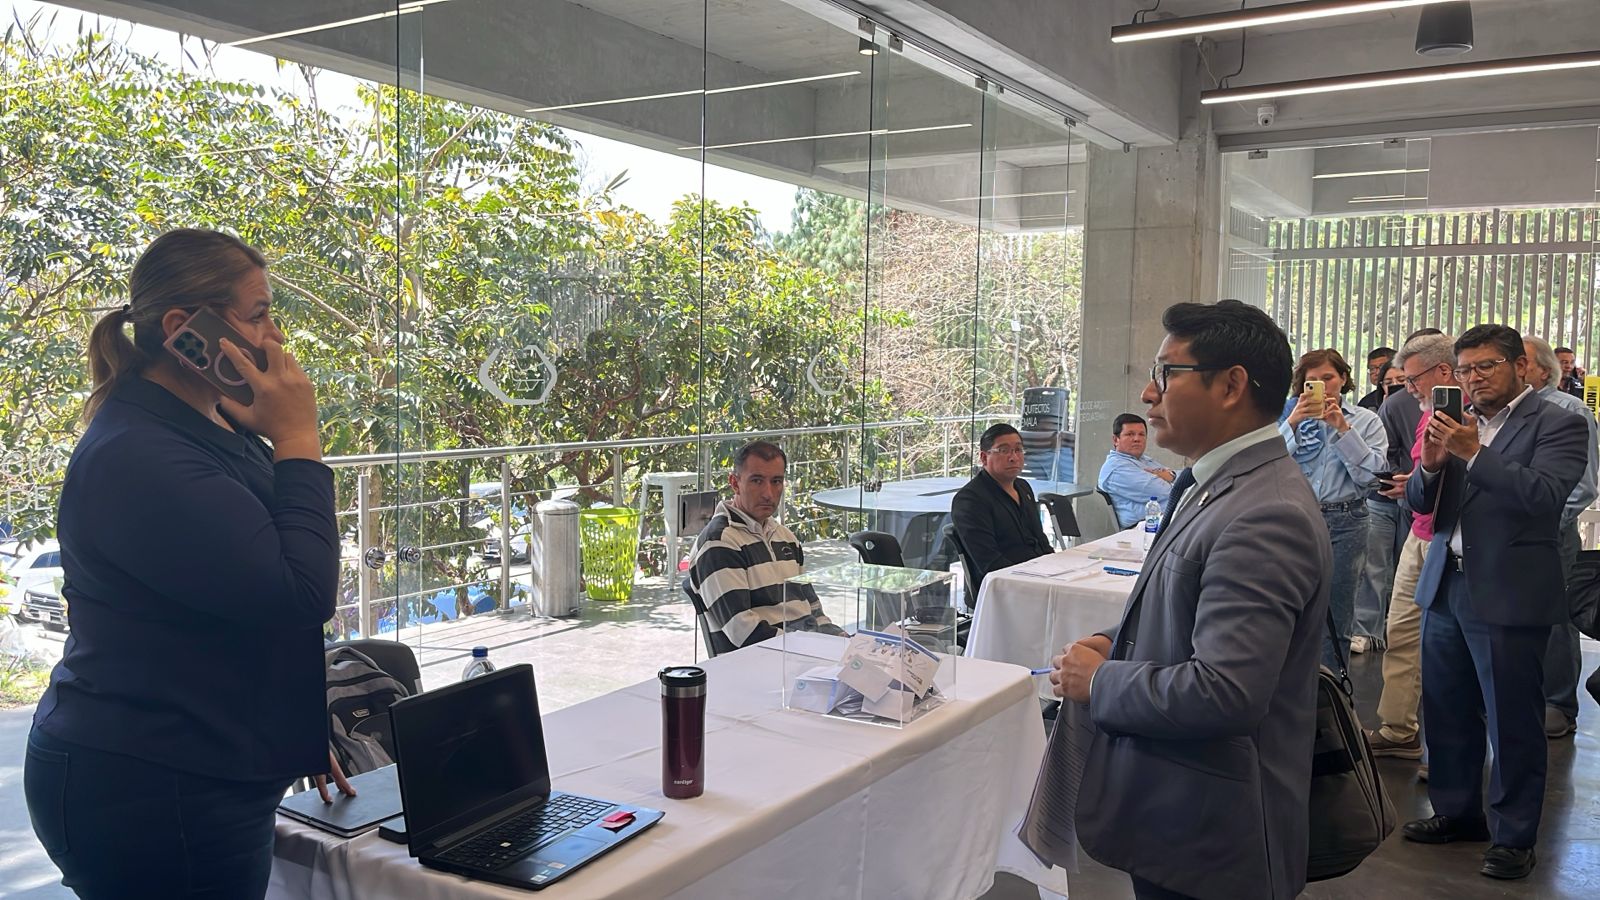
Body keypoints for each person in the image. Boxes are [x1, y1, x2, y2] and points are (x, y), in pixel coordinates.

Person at [23, 229, 352, 899]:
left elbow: (244, 583)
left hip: (196, 759)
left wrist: (287, 724)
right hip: (150, 784)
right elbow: (299, 591)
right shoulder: (140, 454)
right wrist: (297, 436)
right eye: (258, 313)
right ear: (184, 327)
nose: (276, 336)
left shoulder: (209, 425)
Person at [1041, 299, 1329, 900]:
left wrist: (1099, 682)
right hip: (1178, 811)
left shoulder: (1265, 510)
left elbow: (1226, 691)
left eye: (1167, 373)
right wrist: (1115, 643)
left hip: (1212, 831)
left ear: (1230, 385)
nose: (1149, 393)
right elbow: (1189, 609)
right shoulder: (1214, 482)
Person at [1402, 324, 1587, 881]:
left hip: (1508, 590)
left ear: (1522, 368)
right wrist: (1433, 463)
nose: (1474, 378)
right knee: (1446, 707)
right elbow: (1419, 499)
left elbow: (1546, 497)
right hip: (1446, 582)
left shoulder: (1561, 422)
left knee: (1512, 718)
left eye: (1487, 366)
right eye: (1465, 369)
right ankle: (1457, 812)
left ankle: (1514, 837)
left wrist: (1472, 453)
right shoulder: (1456, 425)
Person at [1365, 332, 1457, 762]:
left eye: (1412, 379)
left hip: (1452, 544)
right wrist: (1413, 485)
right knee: (1400, 631)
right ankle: (1398, 728)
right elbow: (1429, 475)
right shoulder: (1427, 412)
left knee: (1448, 648)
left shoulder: (1469, 416)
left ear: (1442, 371)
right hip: (1420, 535)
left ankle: (1448, 754)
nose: (1408, 388)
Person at [1281, 349, 1387, 671]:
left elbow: (1372, 477)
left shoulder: (1366, 420)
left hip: (1347, 519)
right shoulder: (1287, 418)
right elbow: (1267, 463)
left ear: (1343, 378)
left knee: (1336, 619)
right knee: (1286, 611)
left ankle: (1330, 705)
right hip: (1294, 519)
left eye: (1327, 377)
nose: (1321, 386)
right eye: (1311, 381)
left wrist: (1343, 430)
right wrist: (1293, 424)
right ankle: (1285, 700)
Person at [684, 440, 845, 651]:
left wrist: (842, 640)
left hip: (803, 656)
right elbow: (744, 632)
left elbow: (814, 611)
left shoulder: (785, 537)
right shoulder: (719, 544)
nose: (768, 493)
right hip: (764, 665)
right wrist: (814, 649)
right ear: (734, 483)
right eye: (757, 481)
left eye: (776, 481)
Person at [1524, 336, 1598, 738]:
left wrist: (1545, 519)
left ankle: (1558, 703)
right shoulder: (1500, 412)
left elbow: (1583, 485)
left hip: (1553, 531)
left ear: (1544, 369)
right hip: (1509, 535)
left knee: (1556, 616)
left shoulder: (1569, 410)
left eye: (1522, 361)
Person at [1349, 360, 1412, 655]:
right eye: (1391, 379)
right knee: (1374, 567)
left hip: (1416, 499)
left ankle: (1402, 632)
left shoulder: (1427, 405)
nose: (1397, 384)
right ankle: (1366, 630)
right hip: (1380, 498)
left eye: (1404, 378)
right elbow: (1379, 458)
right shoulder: (1370, 409)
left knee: (1407, 567)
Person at [951, 423, 1053, 595]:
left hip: (1040, 577)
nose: (1013, 457)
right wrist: (1033, 580)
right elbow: (989, 561)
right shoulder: (970, 500)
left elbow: (1041, 540)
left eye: (1018, 450)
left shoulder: (1023, 487)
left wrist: (1058, 566)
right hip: (1006, 587)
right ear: (984, 458)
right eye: (1004, 451)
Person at [1096, 413, 1175, 528]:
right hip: (1143, 529)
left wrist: (1171, 476)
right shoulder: (1116, 468)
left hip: (1167, 521)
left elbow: (1180, 476)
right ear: (1116, 440)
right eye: (1130, 434)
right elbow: (1164, 491)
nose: (1137, 439)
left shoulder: (1143, 460)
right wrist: (1170, 478)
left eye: (1141, 434)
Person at [1358, 346, 1397, 410]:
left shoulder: (1410, 395)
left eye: (1382, 367)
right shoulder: (1366, 402)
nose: (1377, 372)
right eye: (1372, 368)